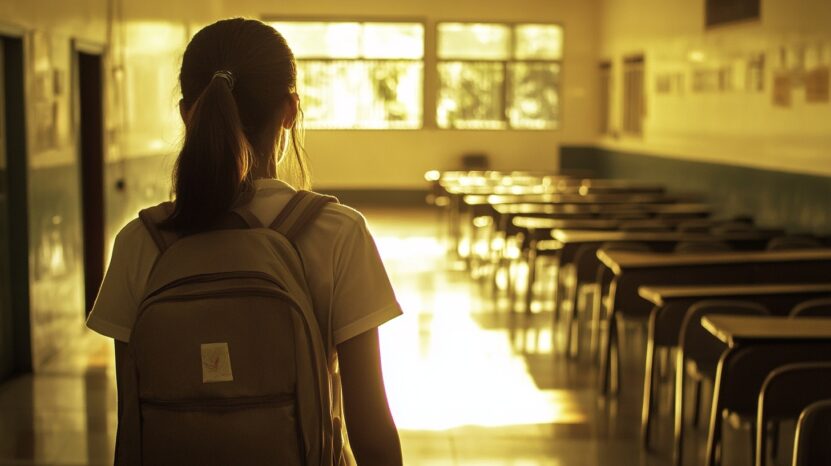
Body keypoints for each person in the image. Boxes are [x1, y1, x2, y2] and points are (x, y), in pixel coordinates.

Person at [86, 17, 403, 465]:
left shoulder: (141, 243)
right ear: (290, 110)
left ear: (185, 114)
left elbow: (133, 427)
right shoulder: (338, 233)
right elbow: (371, 429)